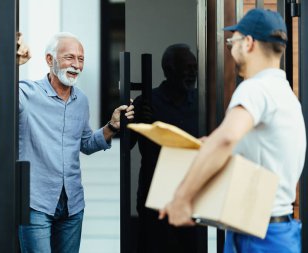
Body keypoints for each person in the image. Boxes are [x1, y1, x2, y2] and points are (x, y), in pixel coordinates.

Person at [159, 8, 306, 253]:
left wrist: (182, 197)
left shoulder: (255, 88)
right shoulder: (285, 94)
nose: (231, 48)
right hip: (278, 229)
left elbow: (226, 139)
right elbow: (254, 149)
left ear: (248, 43)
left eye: (233, 41)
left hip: (256, 235)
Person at [16, 32, 134, 253]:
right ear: (50, 60)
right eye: (70, 57)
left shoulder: (81, 100)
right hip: (35, 203)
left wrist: (112, 126)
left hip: (72, 205)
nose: (76, 65)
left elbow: (86, 144)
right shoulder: (27, 93)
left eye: (81, 59)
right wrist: (11, 63)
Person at [131, 44, 201, 252]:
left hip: (191, 192)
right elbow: (126, 146)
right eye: (186, 67)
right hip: (155, 194)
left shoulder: (202, 100)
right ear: (169, 70)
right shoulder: (147, 102)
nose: (192, 73)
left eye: (194, 67)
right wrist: (133, 121)